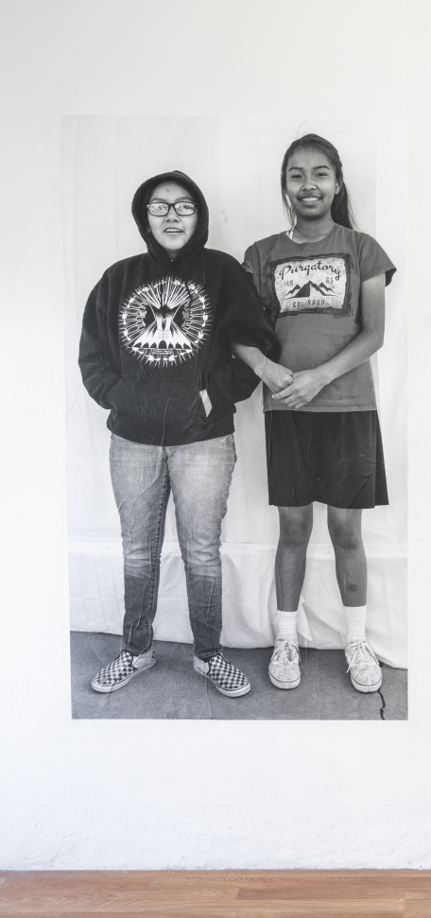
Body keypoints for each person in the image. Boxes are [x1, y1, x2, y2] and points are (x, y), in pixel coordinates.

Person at [79, 171, 278, 697]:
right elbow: (93, 357)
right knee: (138, 552)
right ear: (144, 216)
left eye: (184, 205)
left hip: (204, 441)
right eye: (160, 206)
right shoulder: (118, 278)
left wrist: (214, 396)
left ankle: (209, 657)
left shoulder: (224, 273)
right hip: (132, 442)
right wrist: (126, 400)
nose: (171, 215)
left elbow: (258, 344)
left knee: (202, 553)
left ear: (200, 215)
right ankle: (136, 651)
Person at [233, 134, 395, 694]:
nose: (309, 185)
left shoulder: (361, 248)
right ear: (285, 185)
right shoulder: (260, 255)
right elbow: (240, 334)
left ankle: (356, 639)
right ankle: (285, 637)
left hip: (349, 407)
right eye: (298, 175)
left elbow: (374, 332)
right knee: (294, 527)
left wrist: (319, 377)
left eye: (320, 174)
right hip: (286, 411)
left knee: (347, 529)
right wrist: (272, 374)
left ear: (337, 183)